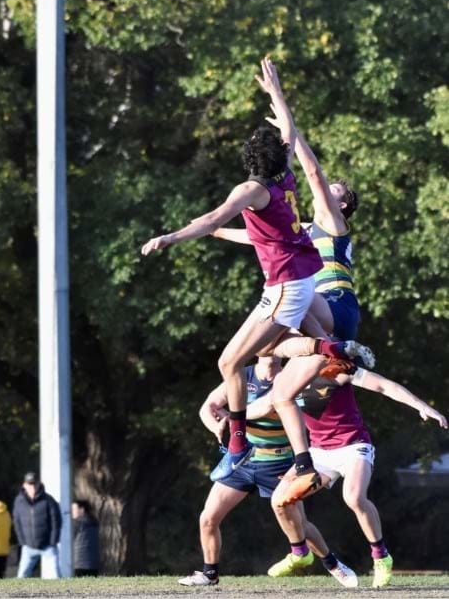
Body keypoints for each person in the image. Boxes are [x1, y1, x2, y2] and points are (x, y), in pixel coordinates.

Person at [140, 56, 373, 486]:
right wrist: (278, 96)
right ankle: (331, 350)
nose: (330, 190)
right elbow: (263, 222)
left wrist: (172, 237)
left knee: (231, 361)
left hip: (301, 291)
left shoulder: (265, 193)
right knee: (274, 353)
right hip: (302, 285)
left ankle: (238, 444)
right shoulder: (284, 182)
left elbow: (216, 214)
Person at [210, 58, 368, 506]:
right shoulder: (306, 230)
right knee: (276, 380)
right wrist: (216, 229)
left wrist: (285, 120)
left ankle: (333, 350)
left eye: (336, 192)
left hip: (335, 306)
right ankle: (305, 465)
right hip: (320, 309)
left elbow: (312, 173)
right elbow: (264, 236)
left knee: (281, 314)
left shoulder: (333, 225)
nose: (327, 189)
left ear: (342, 206)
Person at [178, 356, 357, 588]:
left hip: (279, 463)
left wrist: (233, 417)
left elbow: (268, 405)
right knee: (208, 518)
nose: (271, 349)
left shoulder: (290, 377)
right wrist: (217, 427)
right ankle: (209, 574)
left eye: (276, 344)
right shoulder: (243, 376)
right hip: (243, 461)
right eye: (267, 343)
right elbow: (208, 407)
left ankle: (332, 564)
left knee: (301, 525)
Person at [266, 358, 446, 588]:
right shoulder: (284, 380)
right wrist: (232, 418)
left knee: (353, 497)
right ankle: (300, 552)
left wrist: (421, 405)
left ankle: (381, 557)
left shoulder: (336, 368)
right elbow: (263, 407)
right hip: (319, 453)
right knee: (279, 501)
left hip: (353, 446)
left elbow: (384, 385)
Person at [12, 472, 63, 578]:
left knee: (55, 576)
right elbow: (17, 522)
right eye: (30, 484)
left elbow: (56, 521)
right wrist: (22, 541)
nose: (33, 487)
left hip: (47, 546)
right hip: (28, 547)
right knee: (22, 576)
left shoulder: (49, 500)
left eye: (35, 484)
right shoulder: (19, 501)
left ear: (39, 484)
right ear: (24, 485)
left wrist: (53, 541)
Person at [70, 500, 100, 577]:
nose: (71, 512)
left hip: (79, 563)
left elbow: (68, 540)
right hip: (94, 563)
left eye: (74, 509)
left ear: (82, 510)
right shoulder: (94, 522)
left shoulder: (77, 523)